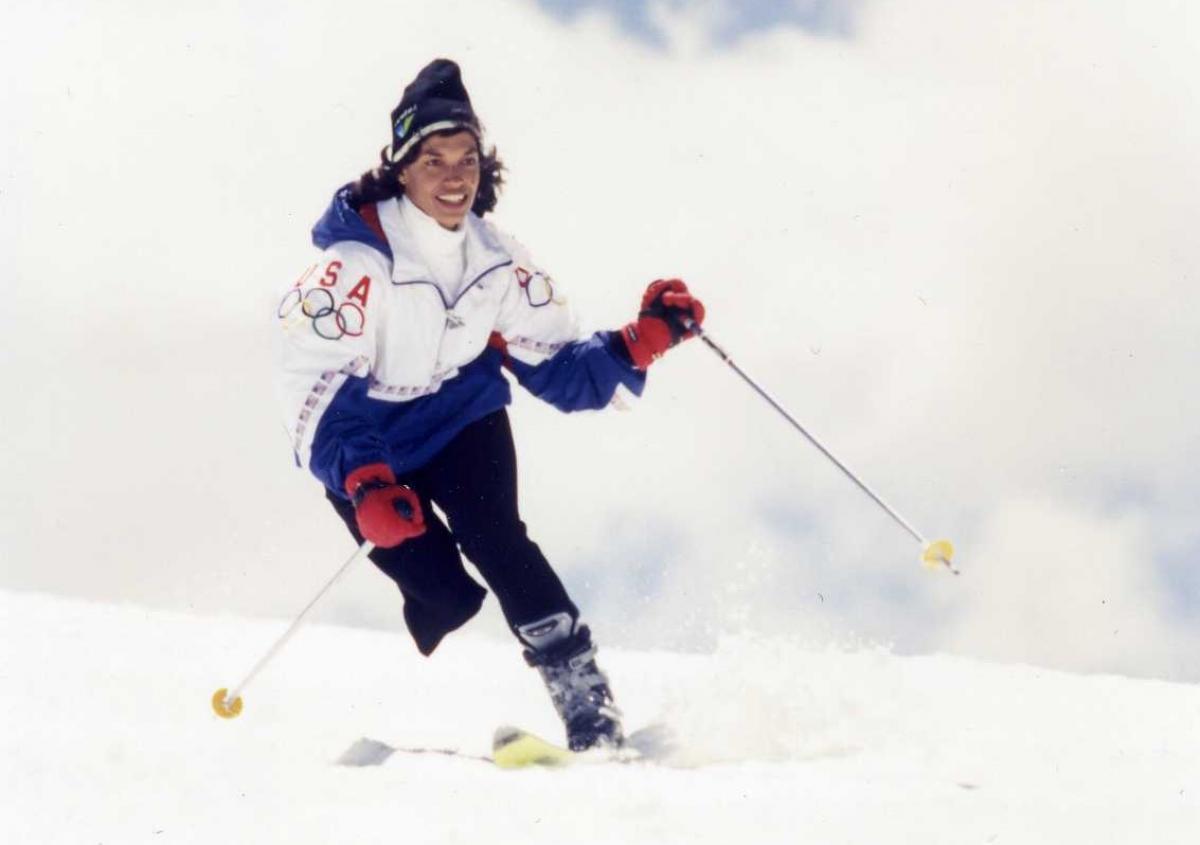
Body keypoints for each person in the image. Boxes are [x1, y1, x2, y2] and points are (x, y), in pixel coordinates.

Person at [273, 58, 705, 751]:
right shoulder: (355, 263)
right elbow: (313, 383)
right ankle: (435, 599)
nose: (453, 178)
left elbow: (561, 367)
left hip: (460, 414)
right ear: (401, 169)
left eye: (467, 158)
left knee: (499, 539)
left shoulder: (497, 259)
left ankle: (589, 707)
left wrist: (639, 341)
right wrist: (363, 480)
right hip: (369, 443)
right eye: (434, 160)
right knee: (445, 597)